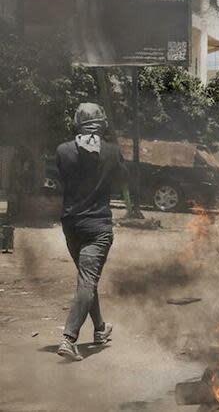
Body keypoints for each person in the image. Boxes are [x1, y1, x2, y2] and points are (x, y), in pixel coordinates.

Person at [53, 103, 127, 361]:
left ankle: (99, 329)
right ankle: (69, 338)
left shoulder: (63, 150)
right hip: (98, 227)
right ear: (102, 123)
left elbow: (59, 179)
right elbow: (121, 183)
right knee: (87, 280)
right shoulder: (112, 152)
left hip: (71, 224)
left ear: (77, 121)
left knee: (87, 278)